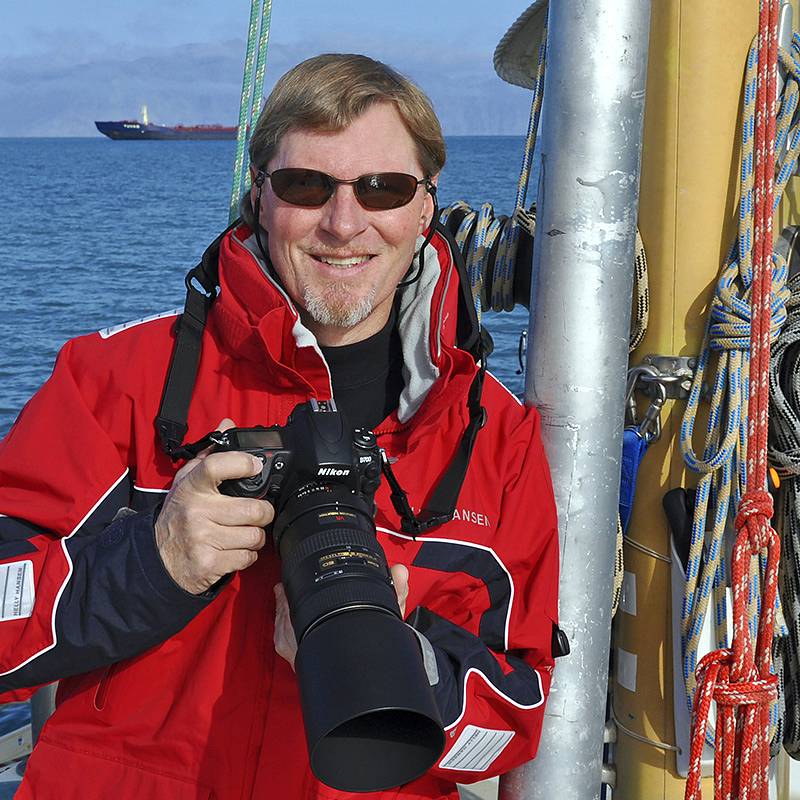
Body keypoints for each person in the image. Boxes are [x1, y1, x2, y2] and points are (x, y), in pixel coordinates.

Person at [0, 54, 559, 799]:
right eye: (306, 186)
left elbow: (515, 715)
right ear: (259, 195)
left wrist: (397, 659)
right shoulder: (120, 381)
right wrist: (154, 563)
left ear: (426, 208)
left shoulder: (491, 433)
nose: (344, 222)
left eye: (383, 188)